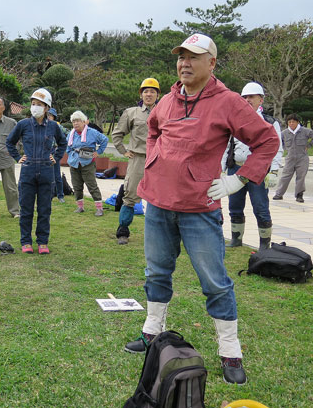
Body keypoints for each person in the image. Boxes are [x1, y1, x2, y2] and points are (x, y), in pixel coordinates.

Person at [124, 34, 279, 386]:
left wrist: (239, 180)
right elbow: (152, 131)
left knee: (216, 283)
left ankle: (230, 351)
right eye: (181, 56)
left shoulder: (227, 102)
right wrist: (153, 159)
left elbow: (267, 141)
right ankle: (152, 333)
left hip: (199, 208)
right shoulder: (166, 100)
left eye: (194, 56)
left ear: (211, 63)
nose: (185, 63)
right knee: (156, 273)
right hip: (159, 205)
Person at [221, 82, 283, 250]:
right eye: (245, 97)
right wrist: (222, 170)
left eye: (251, 97)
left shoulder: (270, 122)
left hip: (259, 171)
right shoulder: (234, 120)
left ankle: (264, 244)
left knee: (260, 207)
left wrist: (274, 171)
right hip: (236, 167)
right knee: (234, 205)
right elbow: (227, 146)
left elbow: (277, 148)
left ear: (261, 100)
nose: (247, 100)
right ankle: (236, 239)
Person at [6, 88, 66, 254]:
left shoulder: (53, 126)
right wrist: (18, 158)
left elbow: (63, 143)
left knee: (44, 209)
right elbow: (10, 142)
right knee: (26, 209)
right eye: (33, 104)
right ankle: (26, 241)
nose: (35, 107)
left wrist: (56, 156)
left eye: (39, 104)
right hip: (28, 170)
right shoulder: (23, 124)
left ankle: (42, 242)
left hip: (47, 170)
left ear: (46, 108)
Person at [111, 78, 160, 244]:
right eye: (146, 91)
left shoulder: (165, 111)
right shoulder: (131, 112)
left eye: (152, 91)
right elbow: (117, 134)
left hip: (159, 159)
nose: (149, 94)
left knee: (159, 196)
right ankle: (123, 231)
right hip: (138, 158)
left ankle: (159, 234)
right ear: (141, 93)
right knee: (130, 195)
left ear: (157, 94)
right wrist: (124, 151)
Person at [66, 111, 109, 216]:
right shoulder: (71, 134)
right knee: (76, 185)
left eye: (78, 121)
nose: (75, 123)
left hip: (88, 163)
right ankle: (80, 207)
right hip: (74, 163)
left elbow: (105, 140)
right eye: (73, 121)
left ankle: (99, 208)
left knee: (92, 185)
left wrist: (98, 152)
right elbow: (67, 147)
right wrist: (70, 154)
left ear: (84, 122)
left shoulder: (92, 132)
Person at [273, 113, 313, 203]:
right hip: (290, 158)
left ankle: (299, 195)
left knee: (301, 177)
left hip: (302, 158)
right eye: (289, 122)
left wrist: (309, 145)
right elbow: (279, 142)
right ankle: (279, 194)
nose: (291, 124)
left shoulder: (305, 131)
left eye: (293, 122)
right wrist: (283, 149)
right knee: (285, 176)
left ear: (298, 122)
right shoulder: (284, 133)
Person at [47, 107, 67, 203]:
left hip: (54, 151)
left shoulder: (57, 126)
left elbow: (68, 133)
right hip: (44, 151)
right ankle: (48, 195)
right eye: (47, 115)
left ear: (54, 117)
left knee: (57, 175)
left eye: (50, 115)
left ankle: (60, 195)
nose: (48, 117)